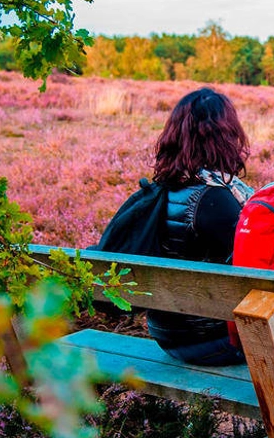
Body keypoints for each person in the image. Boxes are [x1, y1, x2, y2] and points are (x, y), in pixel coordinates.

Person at [102, 87, 253, 366]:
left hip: (166, 334)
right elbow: (257, 273)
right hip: (211, 341)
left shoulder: (160, 191)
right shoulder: (217, 199)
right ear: (226, 135)